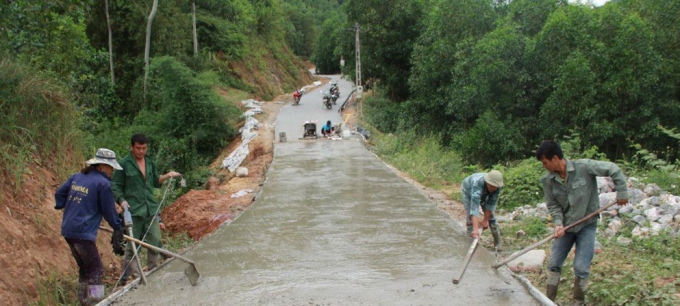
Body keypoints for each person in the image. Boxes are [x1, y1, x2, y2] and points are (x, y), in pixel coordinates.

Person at [536, 140, 628, 305]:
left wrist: (622, 191)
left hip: (586, 225)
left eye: (545, 162)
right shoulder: (548, 181)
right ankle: (548, 301)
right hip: (566, 227)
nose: (544, 166)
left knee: (580, 268)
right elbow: (553, 206)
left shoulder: (584, 167)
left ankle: (578, 302)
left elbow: (613, 169)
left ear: (555, 158)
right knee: (554, 264)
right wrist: (558, 224)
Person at [55, 148, 125, 305]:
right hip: (83, 233)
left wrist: (69, 207)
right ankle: (94, 302)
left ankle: (84, 302)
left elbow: (60, 194)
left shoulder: (77, 177)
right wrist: (117, 226)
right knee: (96, 270)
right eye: (110, 168)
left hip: (68, 230)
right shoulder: (103, 183)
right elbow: (108, 211)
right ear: (101, 166)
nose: (111, 171)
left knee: (85, 269)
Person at [111, 134, 181, 283]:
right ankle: (136, 277)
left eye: (144, 148)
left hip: (150, 209)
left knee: (154, 241)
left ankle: (153, 271)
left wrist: (168, 175)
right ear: (132, 147)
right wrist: (122, 201)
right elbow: (115, 186)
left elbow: (156, 181)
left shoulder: (150, 162)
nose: (141, 151)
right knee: (133, 246)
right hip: (133, 211)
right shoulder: (123, 164)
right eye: (138, 148)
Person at [461, 170, 504, 251]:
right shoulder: (477, 183)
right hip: (468, 191)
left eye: (494, 187)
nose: (492, 188)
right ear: (486, 182)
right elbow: (474, 207)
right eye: (490, 186)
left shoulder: (498, 187)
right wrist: (476, 229)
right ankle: (470, 241)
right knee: (470, 217)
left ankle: (498, 243)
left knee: (492, 218)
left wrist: (485, 220)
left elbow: (491, 204)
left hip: (484, 192)